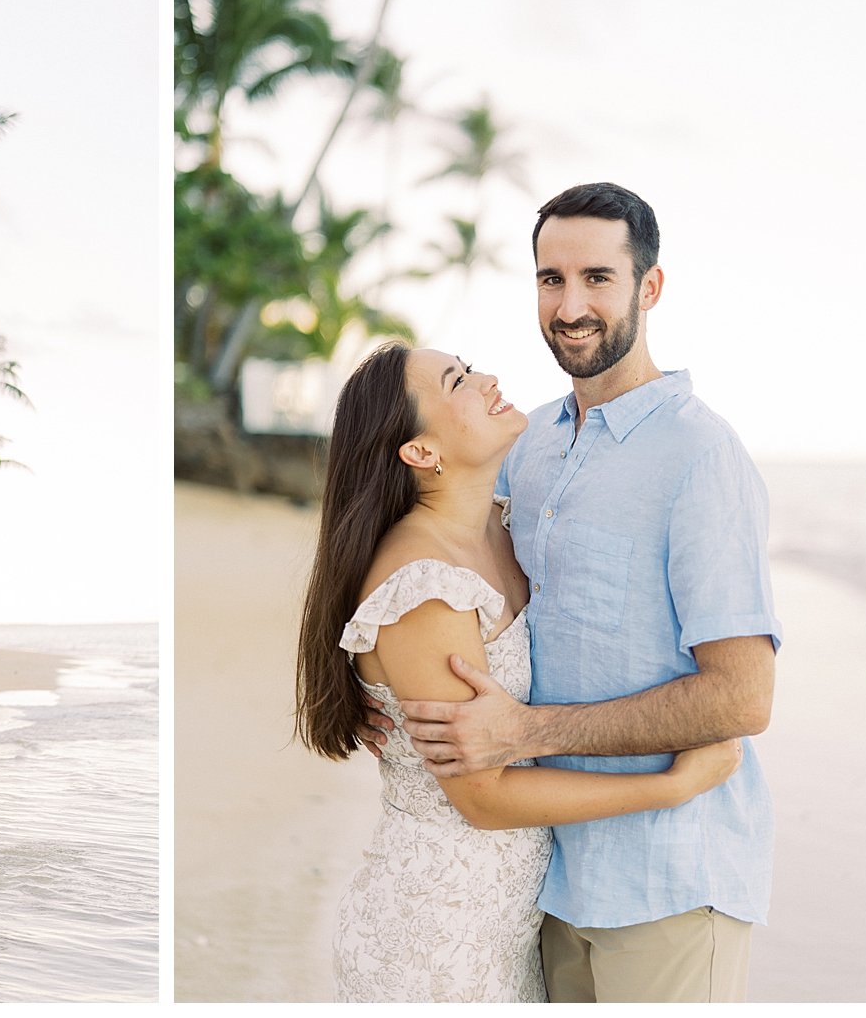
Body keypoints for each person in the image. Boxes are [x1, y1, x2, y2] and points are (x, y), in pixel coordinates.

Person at [359, 183, 780, 1002]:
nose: (571, 304)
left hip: (669, 877)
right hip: (547, 879)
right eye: (552, 279)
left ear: (648, 288)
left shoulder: (702, 457)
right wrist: (372, 692)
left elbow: (744, 697)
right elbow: (414, 552)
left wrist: (526, 730)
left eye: (597, 277)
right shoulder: (529, 446)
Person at [296, 341, 742, 1002]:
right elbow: (484, 795)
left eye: (470, 368)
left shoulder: (501, 524)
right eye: (458, 383)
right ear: (421, 453)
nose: (487, 380)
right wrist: (672, 786)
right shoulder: (426, 588)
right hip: (438, 935)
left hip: (507, 924)